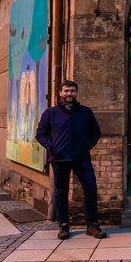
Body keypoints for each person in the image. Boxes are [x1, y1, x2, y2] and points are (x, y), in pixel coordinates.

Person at [35, 80, 107, 240]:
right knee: (61, 192)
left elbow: (96, 132)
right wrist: (53, 147)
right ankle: (63, 225)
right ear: (60, 93)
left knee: (91, 189)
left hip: (81, 158)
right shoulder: (50, 113)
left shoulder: (85, 112)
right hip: (59, 159)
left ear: (76, 93)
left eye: (72, 91)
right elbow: (40, 134)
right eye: (66, 91)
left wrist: (86, 145)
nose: (69, 94)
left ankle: (92, 225)